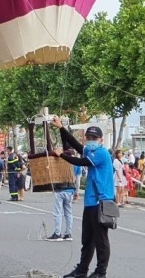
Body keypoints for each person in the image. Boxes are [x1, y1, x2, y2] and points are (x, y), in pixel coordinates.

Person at [53, 117, 115, 278]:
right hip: (90, 201)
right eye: (88, 138)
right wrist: (61, 127)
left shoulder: (101, 153)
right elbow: (74, 144)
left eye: (94, 138)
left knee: (101, 240)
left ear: (101, 140)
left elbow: (80, 162)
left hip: (102, 201)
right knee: (87, 239)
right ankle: (81, 271)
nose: (91, 140)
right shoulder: (90, 150)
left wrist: (62, 155)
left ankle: (101, 272)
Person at [46, 147, 80, 242]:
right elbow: (78, 179)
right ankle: (68, 233)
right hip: (70, 190)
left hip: (60, 190)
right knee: (68, 213)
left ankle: (57, 233)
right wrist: (76, 191)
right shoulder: (76, 163)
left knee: (57, 212)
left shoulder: (60, 162)